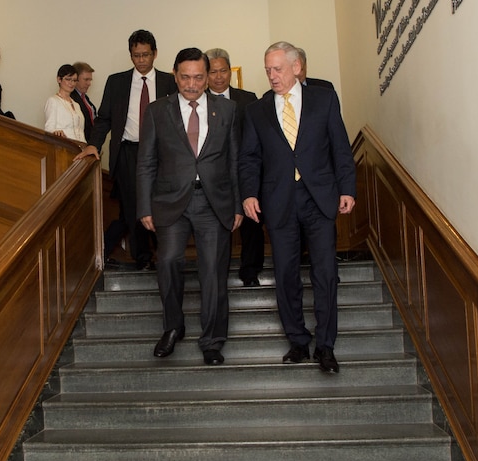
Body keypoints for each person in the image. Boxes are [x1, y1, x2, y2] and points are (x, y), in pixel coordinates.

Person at [239, 41, 356, 374]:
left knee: (325, 273)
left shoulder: (324, 99)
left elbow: (340, 147)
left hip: (318, 197)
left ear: (296, 67)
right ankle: (298, 341)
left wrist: (347, 188)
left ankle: (326, 346)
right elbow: (249, 157)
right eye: (267, 70)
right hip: (278, 201)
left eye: (277, 69)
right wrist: (248, 193)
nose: (272, 76)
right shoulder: (257, 110)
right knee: (286, 274)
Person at [138, 48, 242, 365]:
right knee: (168, 261)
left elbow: (235, 161)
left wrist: (237, 204)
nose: (192, 84)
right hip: (170, 202)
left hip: (214, 203)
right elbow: (146, 163)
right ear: (175, 74)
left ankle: (212, 340)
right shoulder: (157, 111)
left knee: (212, 271)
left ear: (208, 76)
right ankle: (173, 327)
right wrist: (145, 207)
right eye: (186, 77)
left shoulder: (228, 110)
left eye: (199, 77)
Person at [77, 30, 176, 270]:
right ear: (130, 55)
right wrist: (93, 144)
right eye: (136, 55)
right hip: (129, 152)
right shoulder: (117, 81)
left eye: (145, 55)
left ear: (155, 54)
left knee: (161, 204)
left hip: (162, 153)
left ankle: (167, 255)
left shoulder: (170, 82)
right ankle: (143, 258)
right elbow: (104, 119)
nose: (141, 60)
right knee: (133, 206)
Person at [206, 47, 265, 287]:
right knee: (217, 226)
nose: (219, 77)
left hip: (245, 172)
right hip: (212, 176)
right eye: (213, 72)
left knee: (252, 224)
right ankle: (218, 274)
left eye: (223, 71)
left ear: (230, 72)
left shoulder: (247, 99)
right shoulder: (199, 101)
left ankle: (250, 272)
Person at [44, 64, 86, 142]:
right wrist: (55, 132)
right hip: (64, 148)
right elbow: (49, 129)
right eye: (68, 79)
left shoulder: (77, 105)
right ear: (59, 79)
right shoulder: (53, 101)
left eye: (74, 80)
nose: (72, 83)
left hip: (80, 149)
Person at [70, 61, 98, 141]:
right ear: (75, 79)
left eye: (90, 80)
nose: (89, 83)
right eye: (86, 80)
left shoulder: (85, 98)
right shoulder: (71, 99)